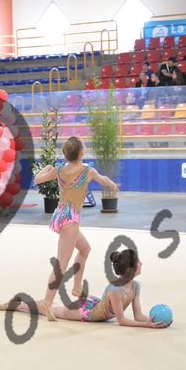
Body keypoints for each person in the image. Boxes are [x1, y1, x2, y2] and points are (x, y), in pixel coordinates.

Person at [31, 137, 118, 321]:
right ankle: (47, 302)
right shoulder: (88, 171)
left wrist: (48, 168)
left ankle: (77, 288)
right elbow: (103, 180)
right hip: (70, 220)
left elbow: (38, 179)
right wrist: (112, 184)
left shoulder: (59, 169)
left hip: (61, 215)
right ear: (82, 152)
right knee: (62, 264)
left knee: (85, 249)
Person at [0, 247, 168, 328]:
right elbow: (121, 320)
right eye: (139, 262)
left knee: (51, 306)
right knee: (50, 309)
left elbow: (138, 315)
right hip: (87, 312)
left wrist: (151, 320)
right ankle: (17, 304)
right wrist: (147, 326)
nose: (141, 264)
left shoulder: (135, 286)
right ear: (131, 269)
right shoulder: (115, 289)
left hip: (96, 305)